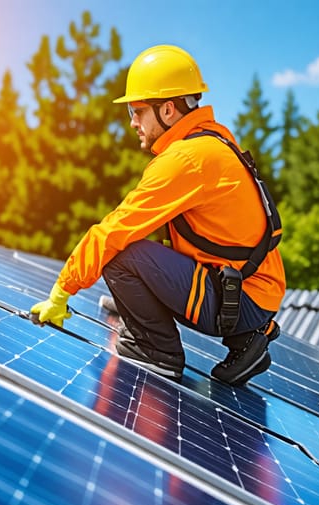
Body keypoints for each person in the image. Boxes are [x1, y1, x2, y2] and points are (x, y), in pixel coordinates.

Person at [30, 44, 286, 386]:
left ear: (167, 109)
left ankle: (155, 351)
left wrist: (62, 291)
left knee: (121, 255)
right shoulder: (214, 141)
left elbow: (113, 231)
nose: (133, 122)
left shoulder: (185, 160)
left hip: (239, 299)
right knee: (135, 246)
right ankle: (246, 336)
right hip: (251, 291)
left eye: (136, 111)